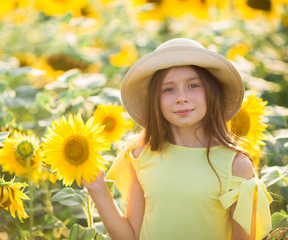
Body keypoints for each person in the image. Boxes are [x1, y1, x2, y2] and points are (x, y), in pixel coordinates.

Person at [82, 38, 272, 240]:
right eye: (168, 89)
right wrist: (98, 190)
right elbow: (131, 236)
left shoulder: (236, 165)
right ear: (155, 100)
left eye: (193, 85)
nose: (181, 97)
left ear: (212, 92)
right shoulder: (141, 154)